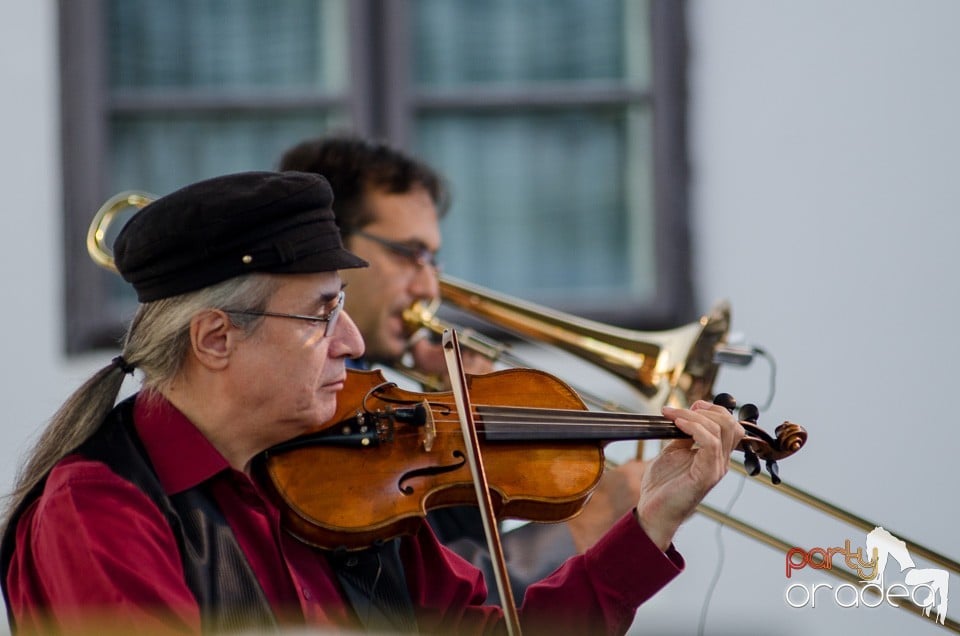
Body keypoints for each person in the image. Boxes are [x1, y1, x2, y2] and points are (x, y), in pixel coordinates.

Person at [1, 170, 744, 635]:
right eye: (322, 313)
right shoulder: (98, 510)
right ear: (216, 338)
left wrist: (649, 526)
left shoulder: (349, 484)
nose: (352, 339)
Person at [277, 135, 656, 603]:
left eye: (433, 260)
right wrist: (586, 527)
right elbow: (411, 604)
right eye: (408, 254)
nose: (429, 286)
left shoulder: (382, 391)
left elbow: (438, 554)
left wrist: (463, 444)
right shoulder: (300, 397)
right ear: (333, 246)